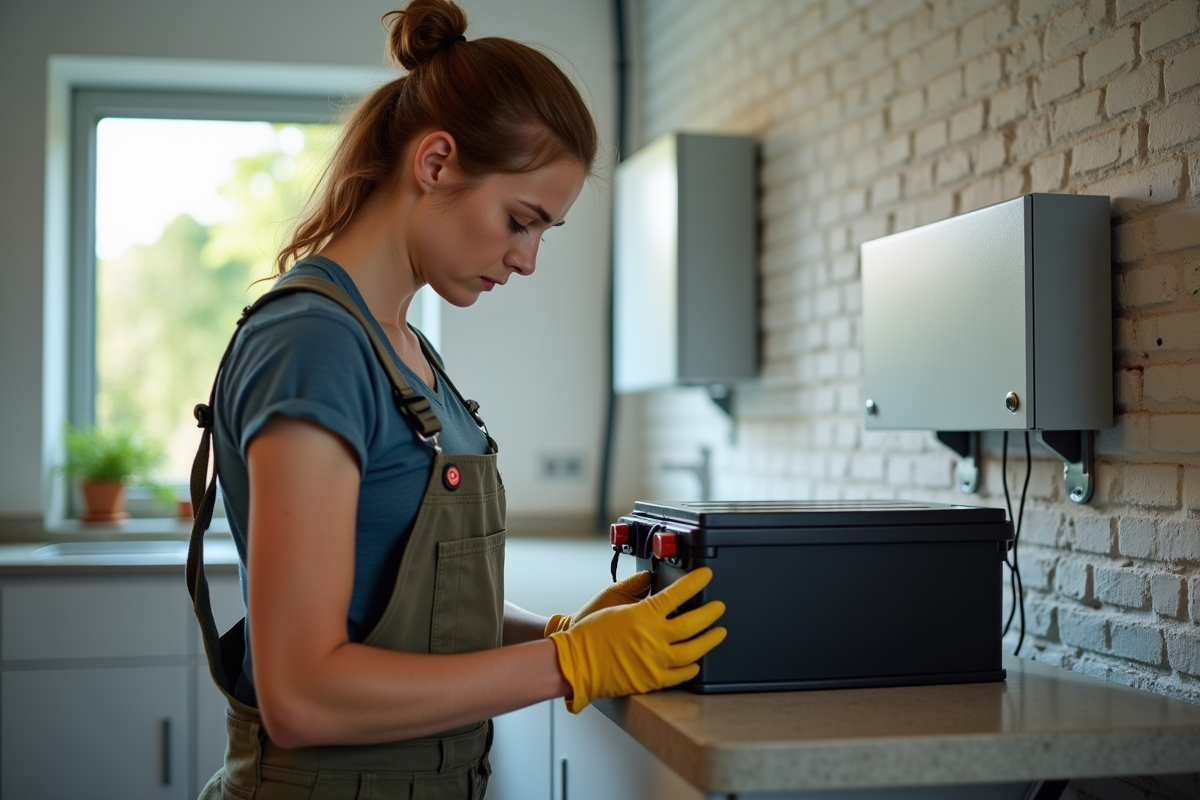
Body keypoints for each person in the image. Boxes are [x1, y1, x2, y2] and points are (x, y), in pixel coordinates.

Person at [186, 1, 727, 798]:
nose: (529, 259)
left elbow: (402, 602)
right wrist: (568, 663)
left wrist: (560, 631)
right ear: (435, 162)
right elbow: (302, 694)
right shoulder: (315, 345)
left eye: (545, 231)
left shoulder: (402, 346)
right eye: (521, 220)